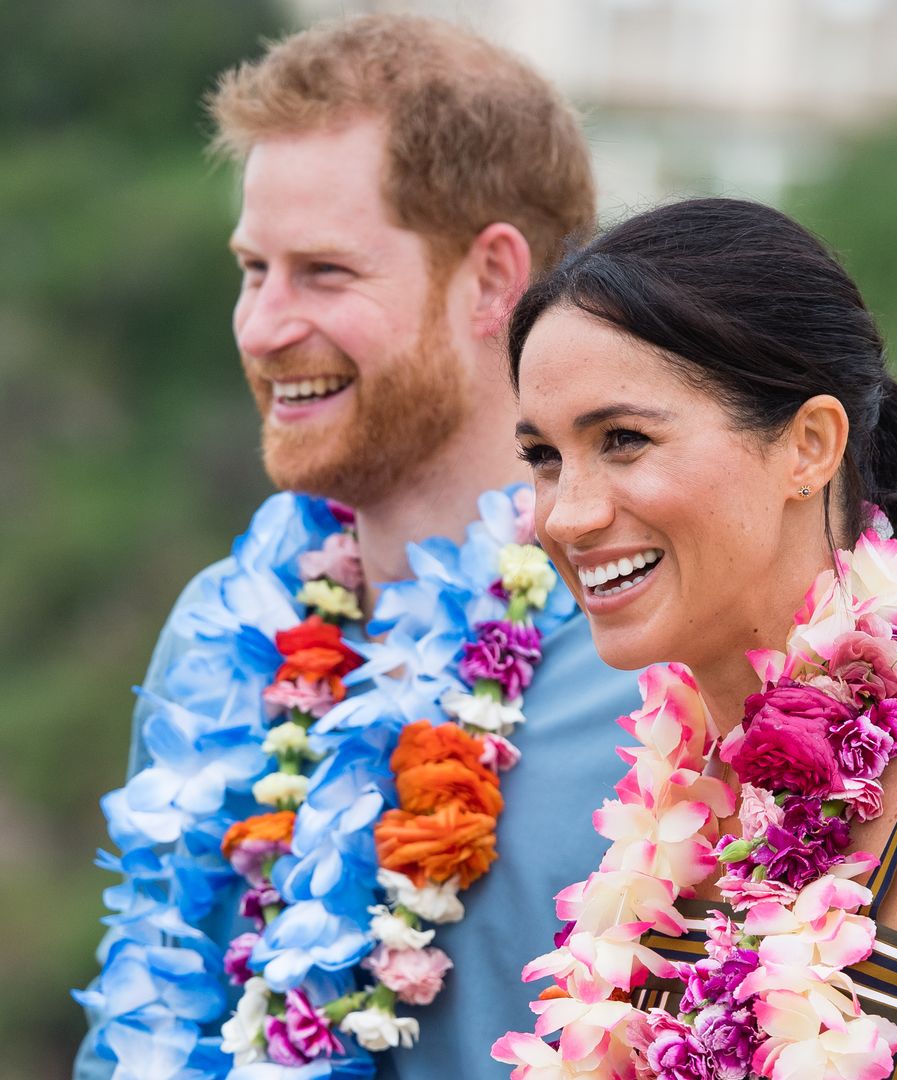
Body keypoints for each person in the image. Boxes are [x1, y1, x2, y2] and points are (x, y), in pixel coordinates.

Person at [74, 15, 644, 1080]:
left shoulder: (649, 659)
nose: (261, 326)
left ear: (490, 282)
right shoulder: (218, 634)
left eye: (324, 272)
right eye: (254, 269)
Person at [505, 197, 897, 1077]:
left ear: (809, 445)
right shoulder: (677, 803)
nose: (567, 514)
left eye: (623, 439)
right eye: (543, 456)